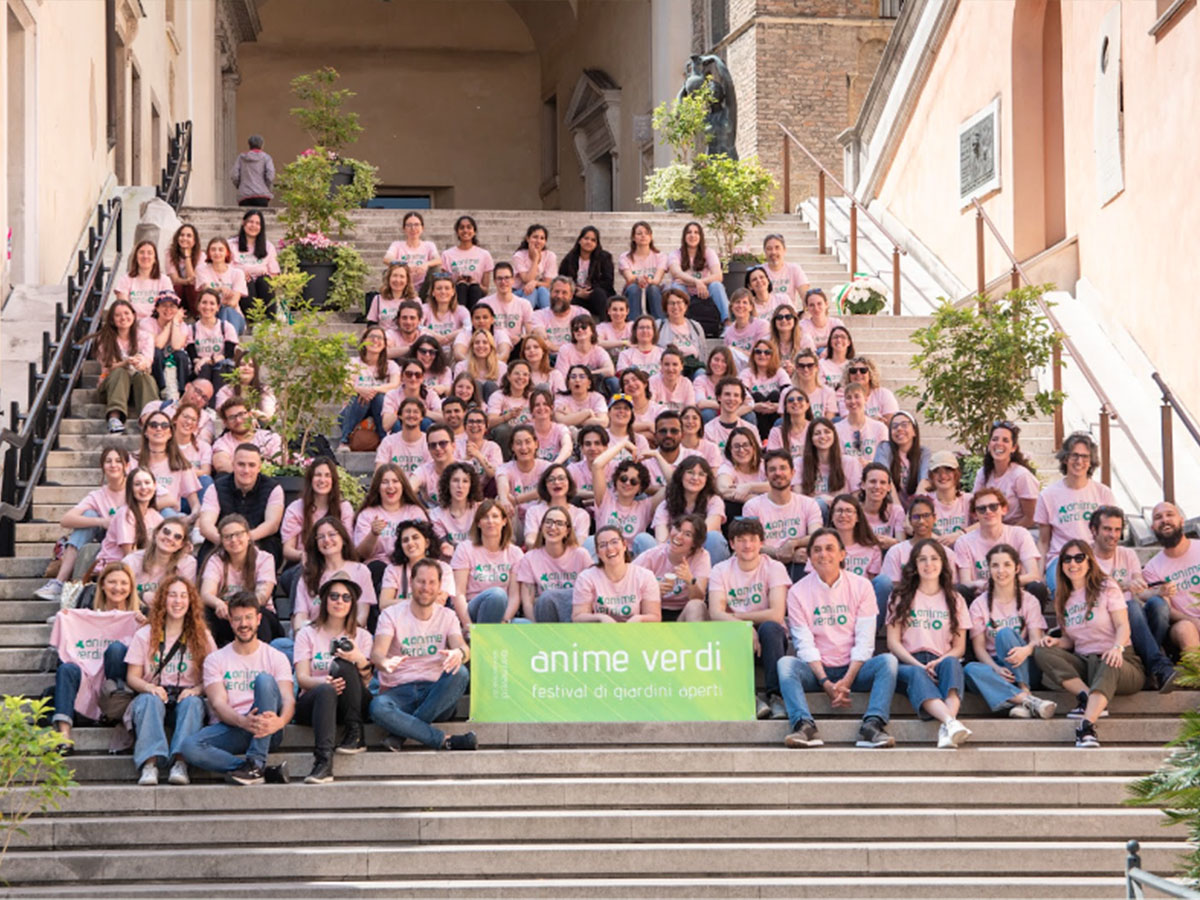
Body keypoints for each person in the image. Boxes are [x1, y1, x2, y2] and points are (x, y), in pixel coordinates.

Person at [777, 528, 898, 749]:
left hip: (854, 669)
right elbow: (804, 644)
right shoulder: (797, 592)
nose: (823, 554)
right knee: (786, 664)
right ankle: (803, 725)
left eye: (829, 548)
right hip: (816, 671)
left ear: (842, 554)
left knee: (888, 662)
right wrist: (825, 682)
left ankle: (873, 725)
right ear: (810, 557)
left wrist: (847, 680)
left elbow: (865, 642)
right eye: (817, 550)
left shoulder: (862, 586)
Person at [1033, 540, 1143, 748]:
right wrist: (1055, 641)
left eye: (1079, 558)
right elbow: (1070, 640)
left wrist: (1117, 648)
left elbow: (1123, 625)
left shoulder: (1106, 586)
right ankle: (1086, 697)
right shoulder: (1063, 598)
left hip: (1121, 663)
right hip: (1086, 664)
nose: (1073, 564)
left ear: (1089, 561)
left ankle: (1086, 727)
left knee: (1109, 660)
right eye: (1067, 559)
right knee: (1041, 650)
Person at [180, 592, 294, 784]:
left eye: (249, 617)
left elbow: (288, 698)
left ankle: (256, 760)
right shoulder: (215, 659)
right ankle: (257, 770)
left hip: (268, 729)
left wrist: (280, 722)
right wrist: (243, 722)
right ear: (230, 622)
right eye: (237, 619)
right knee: (189, 746)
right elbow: (218, 703)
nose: (243, 624)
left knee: (264, 680)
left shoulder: (276, 657)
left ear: (258, 619)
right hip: (233, 726)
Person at [682, 517, 787, 717]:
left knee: (771, 627)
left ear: (761, 543)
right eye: (741, 540)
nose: (747, 545)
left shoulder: (774, 567)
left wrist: (740, 619)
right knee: (732, 630)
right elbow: (715, 613)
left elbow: (776, 613)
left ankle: (776, 697)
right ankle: (748, 697)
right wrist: (744, 628)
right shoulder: (721, 570)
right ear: (732, 544)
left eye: (752, 539)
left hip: (768, 641)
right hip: (735, 638)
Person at [370, 558, 476, 753]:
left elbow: (463, 648)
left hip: (436, 694)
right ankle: (444, 740)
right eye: (421, 581)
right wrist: (385, 663)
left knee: (460, 673)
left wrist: (459, 653)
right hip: (400, 691)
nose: (426, 588)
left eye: (432, 582)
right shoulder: (391, 614)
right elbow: (377, 654)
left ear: (439, 586)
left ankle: (400, 734)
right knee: (378, 707)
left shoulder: (447, 616)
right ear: (411, 582)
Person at [125, 577, 215, 786]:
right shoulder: (144, 635)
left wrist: (196, 690)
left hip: (185, 697)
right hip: (154, 697)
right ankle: (149, 764)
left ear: (191, 602)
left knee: (193, 703)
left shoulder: (203, 636)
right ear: (163, 600)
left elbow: (213, 678)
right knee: (149, 699)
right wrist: (149, 687)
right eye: (172, 595)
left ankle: (181, 763)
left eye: (183, 596)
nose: (178, 601)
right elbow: (132, 677)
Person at [885, 539, 973, 749]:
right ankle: (950, 722)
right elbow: (893, 642)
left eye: (934, 559)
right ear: (914, 565)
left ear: (943, 563)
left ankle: (947, 726)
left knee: (953, 663)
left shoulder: (956, 599)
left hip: (941, 661)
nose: (928, 564)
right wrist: (918, 665)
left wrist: (938, 662)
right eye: (922, 559)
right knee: (917, 674)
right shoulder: (900, 596)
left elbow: (959, 648)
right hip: (908, 663)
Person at [49, 562, 143, 748]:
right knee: (66, 668)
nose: (118, 588)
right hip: (85, 680)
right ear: (102, 585)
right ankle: (63, 734)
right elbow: (65, 651)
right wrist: (67, 619)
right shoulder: (85, 614)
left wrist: (146, 627)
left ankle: (113, 711)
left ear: (131, 587)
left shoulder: (140, 616)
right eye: (112, 582)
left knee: (116, 650)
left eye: (124, 583)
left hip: (117, 685)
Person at [292, 573, 374, 783]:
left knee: (344, 664)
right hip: (315, 704)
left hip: (350, 704)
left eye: (346, 598)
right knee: (326, 690)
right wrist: (324, 683)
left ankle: (355, 732)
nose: (340, 602)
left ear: (352, 603)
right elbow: (302, 678)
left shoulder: (363, 636)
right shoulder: (307, 634)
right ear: (325, 600)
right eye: (334, 596)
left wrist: (358, 659)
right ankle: (324, 762)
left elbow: (366, 683)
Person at [962, 545, 1057, 719]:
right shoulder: (979, 604)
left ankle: (1023, 689)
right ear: (989, 569)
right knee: (969, 669)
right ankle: (1027, 702)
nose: (1001, 571)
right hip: (996, 668)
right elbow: (979, 649)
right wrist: (996, 669)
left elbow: (1036, 640)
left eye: (1007, 565)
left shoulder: (1029, 601)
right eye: (995, 565)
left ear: (1017, 568)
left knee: (1005, 634)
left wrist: (1025, 651)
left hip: (1025, 665)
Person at [1090, 505, 1178, 691]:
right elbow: (1090, 591)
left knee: (1159, 605)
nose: (1113, 535)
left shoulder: (1128, 554)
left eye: (1117, 530)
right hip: (1105, 619)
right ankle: (1158, 666)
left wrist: (1158, 592)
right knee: (1130, 605)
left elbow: (1139, 589)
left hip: (1134, 621)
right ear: (1094, 530)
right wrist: (1124, 586)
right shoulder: (1084, 558)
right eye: (1107, 529)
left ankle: (1149, 666)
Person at [37, 446, 129, 600]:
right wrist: (102, 521)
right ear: (102, 466)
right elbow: (66, 520)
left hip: (131, 538)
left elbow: (167, 500)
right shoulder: (98, 495)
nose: (113, 465)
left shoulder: (137, 487)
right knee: (88, 516)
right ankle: (59, 583)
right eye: (108, 461)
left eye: (118, 461)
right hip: (107, 538)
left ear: (127, 465)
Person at [1036, 433, 1117, 593]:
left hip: (1094, 557)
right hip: (1061, 559)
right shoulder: (1048, 495)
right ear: (1065, 458)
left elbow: (1111, 536)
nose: (1079, 461)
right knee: (1068, 591)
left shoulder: (1103, 493)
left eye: (1085, 457)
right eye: (1074, 455)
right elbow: (1044, 541)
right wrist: (1039, 576)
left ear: (1091, 461)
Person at [197, 442, 285, 568]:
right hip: (222, 541)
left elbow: (272, 525)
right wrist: (227, 541)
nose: (246, 470)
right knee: (206, 557)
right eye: (241, 464)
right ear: (233, 464)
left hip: (260, 541)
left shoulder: (273, 488)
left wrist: (243, 541)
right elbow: (206, 525)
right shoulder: (216, 488)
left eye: (252, 465)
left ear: (259, 467)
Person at [953, 487, 1046, 602]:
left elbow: (1034, 575)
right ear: (974, 515)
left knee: (1037, 587)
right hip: (981, 597)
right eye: (981, 509)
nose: (988, 511)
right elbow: (965, 582)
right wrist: (981, 584)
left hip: (1016, 595)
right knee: (960, 590)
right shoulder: (964, 542)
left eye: (993, 506)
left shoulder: (1020, 534)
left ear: (1004, 509)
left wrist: (1002, 583)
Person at [200, 513, 281, 645]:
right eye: (227, 536)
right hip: (227, 616)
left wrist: (239, 610)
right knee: (206, 612)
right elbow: (206, 593)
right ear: (222, 540)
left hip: (258, 616)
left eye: (238, 534)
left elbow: (262, 596)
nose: (233, 540)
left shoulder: (264, 558)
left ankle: (260, 656)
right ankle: (210, 654)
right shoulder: (216, 560)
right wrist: (218, 603)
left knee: (259, 614)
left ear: (248, 535)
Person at [744, 450, 823, 579]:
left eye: (783, 468)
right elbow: (750, 543)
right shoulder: (752, 506)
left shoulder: (808, 503)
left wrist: (793, 543)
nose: (778, 473)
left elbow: (817, 535)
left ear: (793, 473)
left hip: (799, 563)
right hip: (765, 564)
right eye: (772, 469)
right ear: (766, 475)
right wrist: (780, 554)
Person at [450, 500, 526, 629]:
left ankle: (492, 633)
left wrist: (505, 621)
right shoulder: (465, 549)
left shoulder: (515, 553)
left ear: (504, 521)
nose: (490, 521)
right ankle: (483, 636)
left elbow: (514, 596)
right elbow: (459, 593)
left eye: (495, 516)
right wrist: (468, 626)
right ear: (478, 523)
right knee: (497, 595)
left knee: (527, 625)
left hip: (501, 612)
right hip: (472, 610)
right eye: (485, 517)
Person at [1141, 502, 1200, 667]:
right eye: (1158, 517)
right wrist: (1194, 620)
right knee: (1185, 629)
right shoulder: (1152, 568)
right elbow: (1166, 607)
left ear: (1181, 520)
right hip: (1181, 624)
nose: (1164, 520)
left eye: (1169, 514)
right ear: (1153, 528)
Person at [293, 517, 376, 632]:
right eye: (321, 537)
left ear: (343, 539)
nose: (326, 540)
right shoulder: (308, 576)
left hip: (350, 635)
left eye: (331, 534)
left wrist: (342, 634)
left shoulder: (360, 571)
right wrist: (303, 633)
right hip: (314, 635)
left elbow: (361, 615)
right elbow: (300, 615)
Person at [353, 464, 428, 588]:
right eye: (385, 482)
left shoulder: (414, 512)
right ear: (378, 487)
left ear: (403, 485)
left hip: (409, 564)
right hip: (378, 570)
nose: (390, 486)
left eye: (395, 481)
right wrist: (373, 534)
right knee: (377, 568)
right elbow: (361, 554)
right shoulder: (367, 514)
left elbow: (425, 544)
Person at [516, 507, 595, 623]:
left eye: (559, 523)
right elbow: (528, 603)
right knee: (546, 598)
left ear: (567, 530)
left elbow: (591, 591)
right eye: (548, 522)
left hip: (574, 615)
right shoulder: (530, 558)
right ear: (541, 527)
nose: (552, 527)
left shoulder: (581, 555)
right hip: (545, 616)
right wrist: (535, 628)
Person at [279, 456, 355, 575]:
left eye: (327, 475)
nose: (322, 480)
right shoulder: (296, 508)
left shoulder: (344, 508)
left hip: (335, 564)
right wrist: (303, 555)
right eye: (318, 475)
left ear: (333, 480)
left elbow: (348, 544)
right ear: (310, 479)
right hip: (302, 565)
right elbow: (287, 550)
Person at [93, 299, 158, 433]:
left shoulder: (145, 337)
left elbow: (148, 361)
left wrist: (140, 363)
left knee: (144, 376)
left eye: (127, 313)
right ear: (112, 320)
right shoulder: (104, 339)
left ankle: (150, 419)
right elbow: (108, 365)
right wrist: (125, 363)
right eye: (118, 315)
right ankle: (114, 418)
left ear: (134, 315)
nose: (123, 318)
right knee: (120, 372)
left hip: (137, 389)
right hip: (111, 388)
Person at [573, 525, 661, 622]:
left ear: (624, 545)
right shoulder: (586, 578)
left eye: (614, 542)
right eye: (602, 545)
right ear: (598, 553)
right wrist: (600, 618)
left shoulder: (645, 576)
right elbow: (578, 617)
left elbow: (655, 617)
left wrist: (639, 619)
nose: (610, 548)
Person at [653, 455, 729, 564]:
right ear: (681, 475)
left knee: (714, 537)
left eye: (701, 474)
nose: (695, 478)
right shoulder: (666, 505)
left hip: (704, 552)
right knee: (643, 539)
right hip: (676, 552)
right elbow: (661, 541)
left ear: (707, 479)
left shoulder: (714, 501)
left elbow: (705, 532)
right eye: (690, 472)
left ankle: (709, 575)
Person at [634, 514, 711, 620]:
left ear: (694, 543)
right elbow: (628, 585)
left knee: (696, 605)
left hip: (683, 613)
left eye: (687, 534)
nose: (679, 536)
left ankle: (695, 632)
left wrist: (690, 580)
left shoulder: (701, 556)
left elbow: (699, 597)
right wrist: (651, 590)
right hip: (654, 612)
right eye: (677, 529)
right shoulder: (653, 555)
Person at [337, 325, 401, 453]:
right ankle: (345, 440)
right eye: (372, 337)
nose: (375, 340)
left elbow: (395, 385)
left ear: (385, 344)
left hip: (381, 413)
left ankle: (384, 440)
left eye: (380, 338)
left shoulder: (391, 365)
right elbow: (346, 386)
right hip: (353, 412)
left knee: (380, 397)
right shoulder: (353, 362)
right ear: (364, 341)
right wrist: (361, 390)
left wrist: (373, 390)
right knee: (361, 396)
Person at [589, 447, 663, 556]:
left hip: (633, 559)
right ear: (616, 481)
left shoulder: (646, 506)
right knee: (591, 541)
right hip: (605, 555)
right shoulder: (605, 500)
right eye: (623, 478)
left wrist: (657, 455)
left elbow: (674, 484)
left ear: (640, 487)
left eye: (634, 481)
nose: (627, 483)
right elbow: (597, 466)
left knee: (645, 539)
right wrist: (623, 444)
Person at [134, 408, 202, 521]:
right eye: (153, 425)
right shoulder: (133, 460)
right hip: (140, 516)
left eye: (164, 425)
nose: (159, 428)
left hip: (168, 519)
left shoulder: (180, 463)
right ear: (145, 432)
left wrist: (190, 518)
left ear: (170, 433)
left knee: (167, 511)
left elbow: (195, 504)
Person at [91, 468, 162, 574]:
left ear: (155, 485)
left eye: (147, 483)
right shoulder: (125, 514)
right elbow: (129, 555)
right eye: (137, 484)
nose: (143, 487)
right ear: (130, 489)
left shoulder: (154, 515)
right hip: (114, 570)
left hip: (138, 567)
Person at [379, 519, 456, 611]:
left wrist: (400, 602)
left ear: (427, 543)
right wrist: (420, 601)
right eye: (405, 540)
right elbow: (384, 604)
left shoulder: (443, 568)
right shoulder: (393, 569)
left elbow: (438, 603)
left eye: (415, 537)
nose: (410, 543)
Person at [973, 421, 1039, 527]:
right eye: (995, 439)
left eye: (1005, 440)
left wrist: (1007, 534)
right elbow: (976, 508)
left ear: (1013, 448)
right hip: (989, 528)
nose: (999, 443)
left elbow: (1030, 518)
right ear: (989, 445)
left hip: (1018, 530)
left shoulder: (1021, 476)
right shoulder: (983, 473)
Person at [667, 221, 728, 334]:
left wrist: (699, 283)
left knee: (717, 285)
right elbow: (676, 273)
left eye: (696, 232)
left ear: (701, 236)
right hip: (685, 291)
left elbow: (718, 275)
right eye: (689, 232)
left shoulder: (708, 252)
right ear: (684, 236)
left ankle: (727, 323)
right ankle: (680, 325)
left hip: (704, 291)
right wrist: (697, 282)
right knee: (676, 287)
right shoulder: (675, 254)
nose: (692, 235)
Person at [122, 519, 197, 608]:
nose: (170, 538)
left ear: (181, 545)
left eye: (177, 537)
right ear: (156, 533)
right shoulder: (133, 560)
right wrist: (141, 595)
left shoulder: (188, 563)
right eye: (166, 532)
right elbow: (119, 589)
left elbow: (186, 597)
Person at [523, 463, 591, 548]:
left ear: (569, 483)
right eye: (551, 479)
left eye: (561, 478)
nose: (556, 482)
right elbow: (530, 540)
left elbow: (580, 543)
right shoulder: (534, 511)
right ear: (545, 485)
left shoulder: (581, 514)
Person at [210, 398, 283, 474]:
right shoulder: (222, 443)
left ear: (250, 414)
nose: (238, 420)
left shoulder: (270, 437)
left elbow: (281, 462)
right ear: (226, 423)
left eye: (241, 414)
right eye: (232, 417)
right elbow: (221, 465)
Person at [195, 236, 250, 334]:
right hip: (211, 315)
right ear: (208, 253)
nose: (217, 253)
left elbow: (233, 302)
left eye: (221, 250)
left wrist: (219, 301)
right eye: (213, 250)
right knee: (222, 310)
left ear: (227, 253)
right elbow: (207, 291)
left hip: (234, 317)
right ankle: (229, 339)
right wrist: (220, 289)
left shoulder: (237, 273)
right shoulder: (202, 270)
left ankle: (226, 337)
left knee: (226, 310)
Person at [873, 412, 930, 507]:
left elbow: (924, 482)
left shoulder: (924, 452)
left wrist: (914, 510)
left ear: (914, 431)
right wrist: (898, 510)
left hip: (915, 509)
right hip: (890, 507)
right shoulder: (884, 448)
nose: (899, 429)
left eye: (904, 425)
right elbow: (885, 479)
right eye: (894, 426)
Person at [142, 291, 191, 400]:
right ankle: (162, 388)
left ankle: (181, 392)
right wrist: (169, 326)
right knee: (156, 352)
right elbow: (158, 344)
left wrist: (175, 323)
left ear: (177, 309)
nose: (168, 309)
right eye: (164, 305)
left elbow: (176, 346)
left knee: (181, 355)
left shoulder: (182, 325)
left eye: (172, 306)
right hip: (154, 364)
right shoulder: (147, 323)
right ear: (157, 308)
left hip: (174, 362)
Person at [558, 225, 615, 318]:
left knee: (599, 293)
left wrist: (589, 291)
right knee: (567, 297)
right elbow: (562, 279)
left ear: (597, 244)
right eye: (586, 238)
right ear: (580, 240)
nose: (589, 242)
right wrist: (576, 291)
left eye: (593, 240)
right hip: (577, 295)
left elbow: (608, 281)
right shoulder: (569, 259)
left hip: (596, 296)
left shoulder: (604, 258)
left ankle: (605, 322)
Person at [187, 287, 239, 389]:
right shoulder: (191, 329)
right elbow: (192, 355)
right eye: (204, 302)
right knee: (205, 368)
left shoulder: (226, 327)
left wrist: (210, 360)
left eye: (212, 303)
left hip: (221, 365)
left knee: (219, 369)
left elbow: (229, 354)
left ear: (218, 307)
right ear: (198, 306)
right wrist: (201, 362)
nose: (207, 307)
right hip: (200, 367)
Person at [228, 210, 279, 309]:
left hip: (262, 288)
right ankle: (250, 317)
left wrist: (266, 276)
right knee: (247, 282)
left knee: (264, 280)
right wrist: (239, 274)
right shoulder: (231, 244)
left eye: (257, 223)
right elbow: (225, 268)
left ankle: (270, 316)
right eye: (251, 222)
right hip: (241, 286)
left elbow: (275, 275)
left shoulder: (268, 247)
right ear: (243, 223)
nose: (253, 226)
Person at [441, 215, 493, 310]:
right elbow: (444, 285)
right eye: (462, 228)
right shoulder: (447, 254)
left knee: (474, 287)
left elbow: (485, 290)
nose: (465, 230)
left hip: (477, 294)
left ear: (474, 231)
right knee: (462, 286)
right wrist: (456, 281)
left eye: (469, 227)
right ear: (457, 232)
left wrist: (474, 282)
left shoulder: (484, 255)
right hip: (456, 294)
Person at [716, 426, 768, 520]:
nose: (741, 450)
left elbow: (776, 486)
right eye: (736, 446)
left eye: (745, 445)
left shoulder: (763, 465)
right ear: (730, 450)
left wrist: (749, 487)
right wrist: (753, 499)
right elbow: (723, 489)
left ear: (754, 447)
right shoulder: (727, 467)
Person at [430, 462, 483, 553]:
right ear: (448, 484)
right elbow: (444, 546)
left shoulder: (479, 509)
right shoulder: (436, 515)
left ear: (471, 485)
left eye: (465, 481)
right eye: (455, 480)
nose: (460, 486)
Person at [743, 339, 791, 441]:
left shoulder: (780, 372)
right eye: (758, 352)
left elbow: (788, 393)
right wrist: (755, 406)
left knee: (775, 395)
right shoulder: (747, 373)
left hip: (776, 412)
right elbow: (742, 394)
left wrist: (778, 406)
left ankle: (773, 439)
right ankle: (762, 439)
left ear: (773, 355)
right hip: (755, 413)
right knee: (756, 396)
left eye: (767, 352)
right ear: (753, 354)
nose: (762, 355)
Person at [115, 240, 173, 320]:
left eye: (149, 253)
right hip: (132, 322)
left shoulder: (164, 280)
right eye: (141, 252)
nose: (145, 256)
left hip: (156, 322)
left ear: (155, 259)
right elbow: (124, 307)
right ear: (136, 257)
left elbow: (168, 306)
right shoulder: (125, 279)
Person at [384, 211, 441, 294]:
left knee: (436, 269)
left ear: (422, 228)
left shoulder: (429, 245)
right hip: (403, 287)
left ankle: (429, 300)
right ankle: (392, 298)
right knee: (387, 272)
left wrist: (426, 264)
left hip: (424, 289)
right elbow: (387, 259)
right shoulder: (397, 245)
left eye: (416, 225)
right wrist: (405, 267)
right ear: (404, 228)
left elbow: (438, 260)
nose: (413, 228)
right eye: (409, 225)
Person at [367, 263, 417, 354]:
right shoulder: (378, 299)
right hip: (385, 344)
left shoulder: (415, 300)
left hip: (407, 343)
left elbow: (419, 326)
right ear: (389, 278)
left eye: (402, 276)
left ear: (407, 280)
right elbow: (371, 326)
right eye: (394, 276)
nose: (398, 280)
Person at [830, 494, 882, 580]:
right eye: (839, 510)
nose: (843, 515)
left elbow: (872, 581)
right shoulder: (822, 547)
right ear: (832, 516)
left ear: (857, 517)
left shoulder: (872, 548)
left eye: (849, 511)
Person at [835, 383, 889, 464]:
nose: (853, 401)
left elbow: (883, 459)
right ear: (844, 402)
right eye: (849, 398)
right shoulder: (836, 429)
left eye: (857, 397)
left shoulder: (880, 428)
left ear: (866, 399)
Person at [656, 288, 708, 369]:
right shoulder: (658, 326)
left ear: (686, 306)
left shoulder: (695, 326)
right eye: (671, 303)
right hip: (668, 369)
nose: (675, 306)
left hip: (693, 367)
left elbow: (703, 352)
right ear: (666, 307)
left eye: (679, 302)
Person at [927, 451, 971, 547]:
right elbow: (909, 525)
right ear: (931, 476)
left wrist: (960, 533)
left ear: (956, 474)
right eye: (937, 471)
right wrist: (936, 540)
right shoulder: (925, 500)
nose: (943, 476)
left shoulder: (968, 500)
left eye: (948, 470)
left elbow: (986, 522)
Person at [533, 277, 587, 353]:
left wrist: (556, 348)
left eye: (564, 293)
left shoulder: (581, 313)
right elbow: (540, 335)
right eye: (556, 291)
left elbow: (586, 342)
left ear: (571, 296)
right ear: (550, 293)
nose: (559, 296)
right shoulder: (539, 315)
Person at [837, 357, 898, 424]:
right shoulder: (845, 397)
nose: (858, 373)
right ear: (849, 376)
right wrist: (873, 420)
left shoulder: (884, 394)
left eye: (863, 370)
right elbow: (851, 422)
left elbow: (891, 422)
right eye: (853, 371)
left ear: (871, 374)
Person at [858, 463, 905, 548]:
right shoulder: (854, 510)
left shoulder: (897, 511)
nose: (877, 486)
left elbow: (902, 545)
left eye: (883, 482)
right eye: (873, 481)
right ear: (863, 485)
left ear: (889, 487)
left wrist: (893, 543)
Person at [511, 223, 556, 310]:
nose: (538, 241)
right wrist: (535, 259)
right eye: (535, 237)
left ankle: (549, 317)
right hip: (519, 292)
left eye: (542, 238)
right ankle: (527, 317)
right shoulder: (519, 256)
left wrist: (535, 283)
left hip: (541, 291)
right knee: (532, 291)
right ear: (528, 238)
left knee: (542, 290)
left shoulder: (550, 256)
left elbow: (548, 283)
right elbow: (527, 280)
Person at [422, 272, 471, 350]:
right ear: (433, 292)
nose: (443, 292)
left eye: (447, 288)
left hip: (453, 350)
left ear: (453, 292)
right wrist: (436, 336)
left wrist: (449, 336)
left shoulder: (462, 310)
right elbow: (417, 327)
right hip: (429, 350)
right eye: (439, 288)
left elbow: (469, 327)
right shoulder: (424, 308)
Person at [723, 289, 769, 369]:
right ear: (732, 307)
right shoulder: (728, 332)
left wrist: (737, 351)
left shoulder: (762, 325)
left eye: (745, 302)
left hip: (757, 368)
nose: (740, 305)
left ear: (751, 307)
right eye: (737, 302)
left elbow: (762, 355)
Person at [456, 408, 502, 485]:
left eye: (479, 422)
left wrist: (478, 455)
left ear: (486, 427)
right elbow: (452, 473)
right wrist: (466, 459)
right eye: (471, 422)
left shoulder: (493, 447)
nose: (474, 425)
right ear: (465, 426)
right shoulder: (456, 445)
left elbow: (495, 474)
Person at [761, 233, 810, 305]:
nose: (773, 252)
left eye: (777, 248)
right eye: (769, 249)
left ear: (784, 250)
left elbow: (805, 296)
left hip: (788, 311)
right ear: (765, 252)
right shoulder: (759, 271)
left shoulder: (794, 269)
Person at [791, 348, 839, 420]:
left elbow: (828, 422)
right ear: (796, 368)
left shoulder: (828, 393)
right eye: (801, 366)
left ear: (817, 368)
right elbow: (787, 421)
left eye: (810, 365)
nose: (806, 369)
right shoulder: (787, 393)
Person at [165, 224, 202, 316]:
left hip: (193, 294)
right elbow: (174, 279)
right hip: (178, 293)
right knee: (178, 286)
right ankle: (174, 314)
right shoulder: (170, 254)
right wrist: (187, 281)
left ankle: (196, 315)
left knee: (192, 287)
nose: (184, 238)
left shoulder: (201, 256)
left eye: (189, 236)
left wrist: (187, 256)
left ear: (194, 241)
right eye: (182, 235)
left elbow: (193, 279)